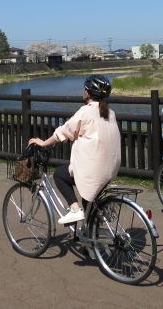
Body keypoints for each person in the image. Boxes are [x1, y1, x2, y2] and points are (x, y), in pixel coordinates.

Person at [28, 75, 122, 225]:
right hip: (110, 169)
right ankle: (91, 241)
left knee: (59, 174)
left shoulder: (86, 111)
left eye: (84, 89)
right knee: (89, 202)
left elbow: (65, 131)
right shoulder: (110, 113)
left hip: (93, 169)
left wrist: (44, 143)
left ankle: (74, 209)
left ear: (88, 93)